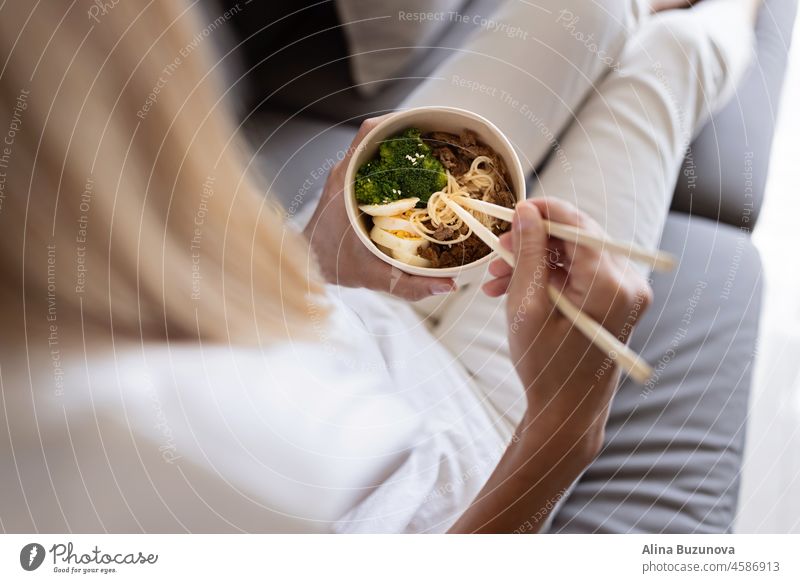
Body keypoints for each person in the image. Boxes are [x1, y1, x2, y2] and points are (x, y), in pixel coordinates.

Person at [0, 0, 758, 532]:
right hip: (463, 444)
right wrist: (566, 426)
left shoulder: (83, 283)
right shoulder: (153, 468)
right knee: (675, 60)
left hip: (325, 300)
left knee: (587, 9)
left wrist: (314, 263)